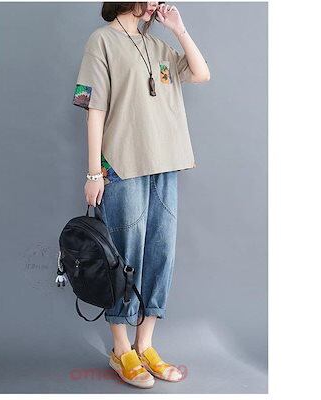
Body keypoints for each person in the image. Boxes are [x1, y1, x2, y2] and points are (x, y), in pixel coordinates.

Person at [72, 1, 210, 388]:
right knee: (124, 257)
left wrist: (178, 29)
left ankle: (145, 344)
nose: (154, 3)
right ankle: (121, 349)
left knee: (161, 254)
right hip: (123, 165)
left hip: (166, 164)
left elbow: (201, 73)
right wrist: (93, 172)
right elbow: (92, 108)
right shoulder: (101, 41)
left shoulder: (159, 46)